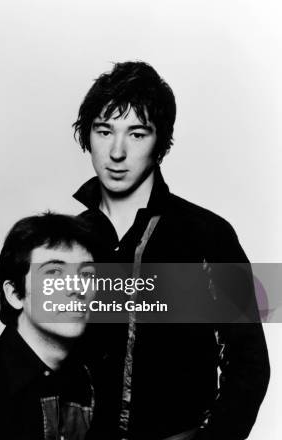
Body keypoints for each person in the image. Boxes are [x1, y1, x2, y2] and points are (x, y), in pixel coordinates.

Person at [72, 61, 269, 439]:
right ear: (89, 136)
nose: (116, 151)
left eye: (137, 134)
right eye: (104, 131)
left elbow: (249, 363)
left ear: (159, 142)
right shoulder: (68, 240)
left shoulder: (209, 235)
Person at [0, 213, 99, 440]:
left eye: (86, 274)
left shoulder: (91, 377)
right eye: (54, 272)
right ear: (14, 294)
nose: (77, 288)